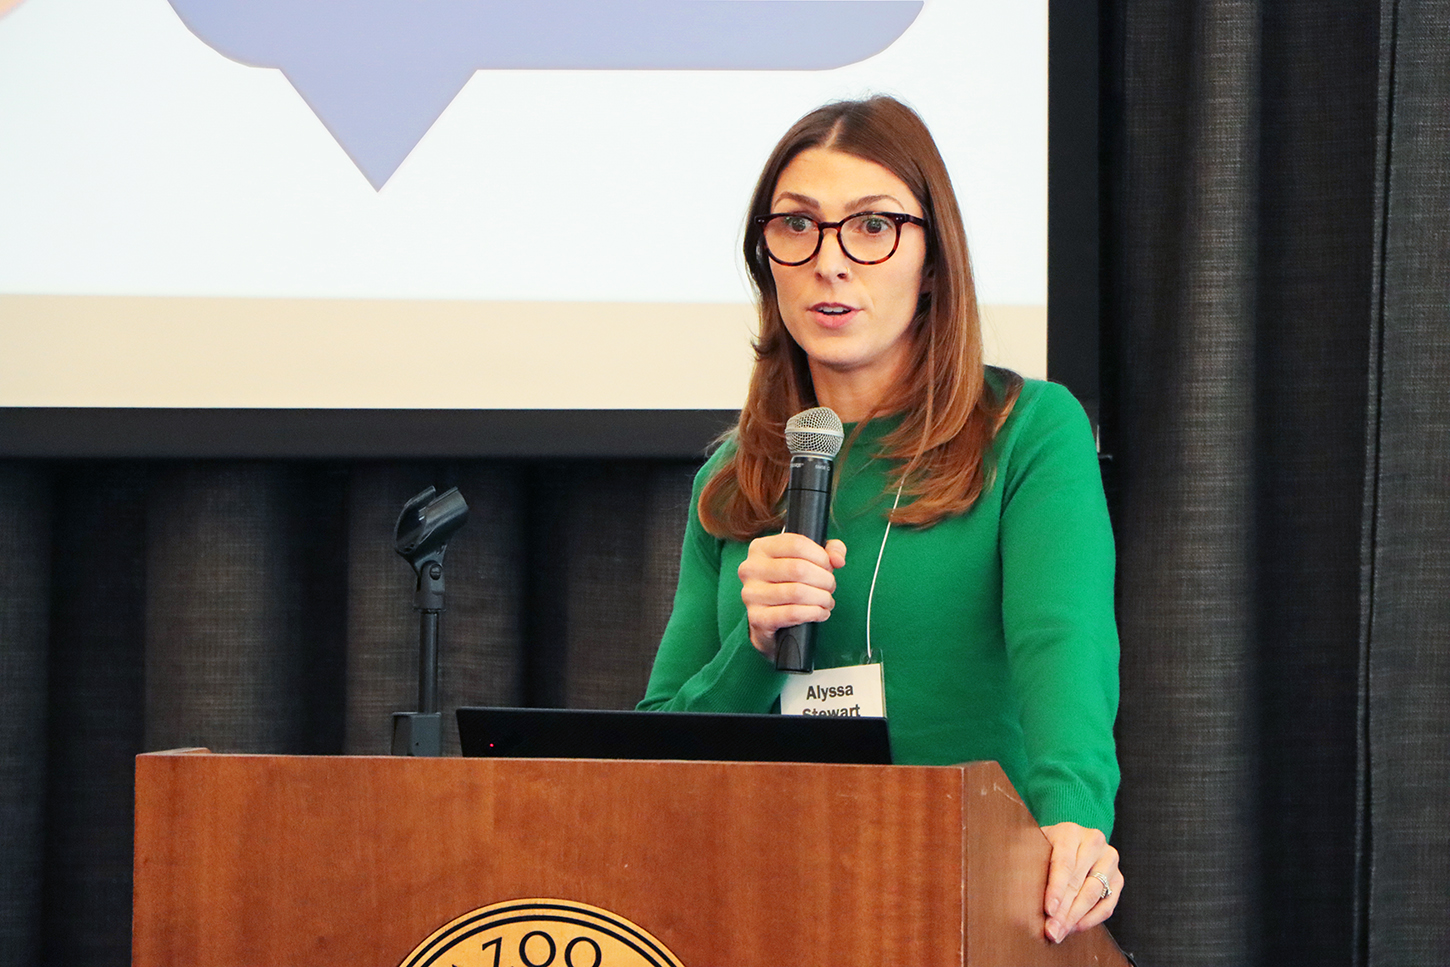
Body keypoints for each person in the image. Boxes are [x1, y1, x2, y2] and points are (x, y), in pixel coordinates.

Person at [638, 95, 1121, 943]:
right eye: (797, 227)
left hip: (966, 900)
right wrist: (752, 649)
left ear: (933, 259)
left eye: (872, 226)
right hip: (757, 910)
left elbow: (1063, 641)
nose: (831, 262)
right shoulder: (733, 478)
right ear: (768, 262)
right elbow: (654, 757)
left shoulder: (1027, 432)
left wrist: (1073, 817)